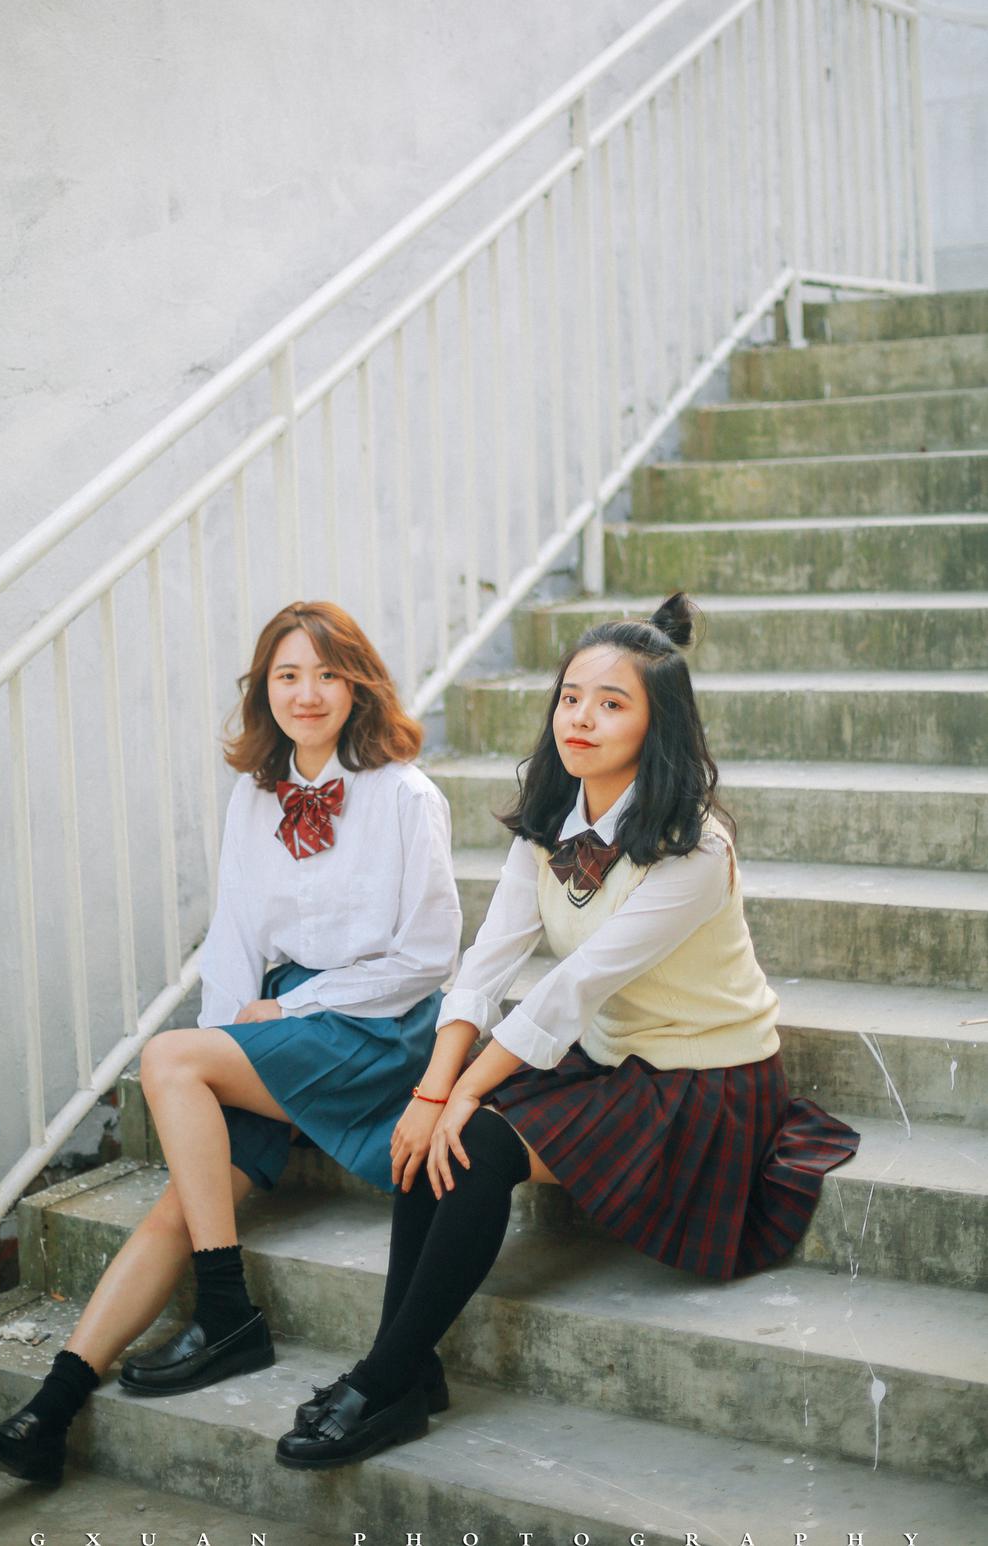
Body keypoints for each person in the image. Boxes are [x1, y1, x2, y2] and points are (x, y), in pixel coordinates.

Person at [275, 592, 860, 1470]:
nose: (580, 718)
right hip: (611, 1054)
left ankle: (384, 1378)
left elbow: (569, 991)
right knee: (430, 1132)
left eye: (611, 703)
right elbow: (487, 964)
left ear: (657, 725)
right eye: (571, 697)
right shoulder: (549, 827)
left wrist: (456, 1096)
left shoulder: (696, 849)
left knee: (470, 1142)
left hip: (702, 1081)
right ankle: (406, 1375)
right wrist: (433, 1089)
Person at [0, 600, 461, 1486]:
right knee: (182, 1204)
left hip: (375, 1025)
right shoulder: (255, 796)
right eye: (287, 676)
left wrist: (273, 1023)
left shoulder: (405, 795)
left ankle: (227, 1311)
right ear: (264, 691)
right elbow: (232, 942)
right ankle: (49, 1414)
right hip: (283, 1026)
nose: (307, 694)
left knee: (167, 1056)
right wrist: (227, 1045)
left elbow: (427, 958)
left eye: (327, 674)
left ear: (359, 684)